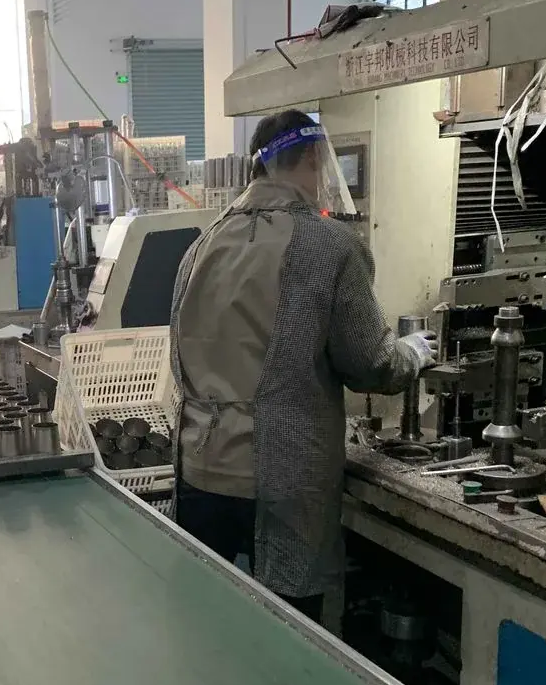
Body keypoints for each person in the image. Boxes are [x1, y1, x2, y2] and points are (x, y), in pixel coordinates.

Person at [169, 109, 437, 624]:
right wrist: (414, 353)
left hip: (199, 474)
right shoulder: (329, 246)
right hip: (279, 484)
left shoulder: (200, 246)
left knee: (212, 625)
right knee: (289, 640)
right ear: (313, 159)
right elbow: (370, 364)